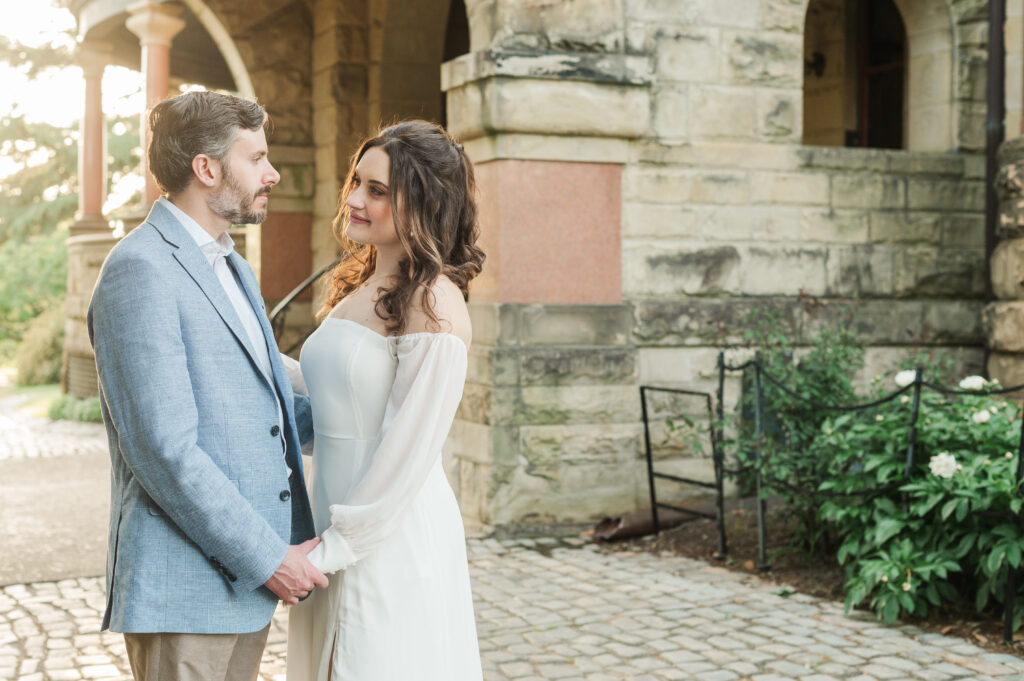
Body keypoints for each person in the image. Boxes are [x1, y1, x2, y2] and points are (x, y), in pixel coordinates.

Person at [88, 90, 328, 681]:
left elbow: (270, 401)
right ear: (207, 168)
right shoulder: (140, 270)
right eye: (257, 159)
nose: (271, 174)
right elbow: (165, 452)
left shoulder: (231, 263)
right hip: (187, 592)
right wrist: (269, 558)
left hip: (240, 592)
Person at [285, 120, 486, 680]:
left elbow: (408, 447)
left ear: (422, 204)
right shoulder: (363, 283)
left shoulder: (433, 302)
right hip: (332, 519)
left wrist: (331, 549)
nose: (353, 200)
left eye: (377, 191)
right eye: (358, 182)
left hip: (387, 533)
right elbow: (335, 400)